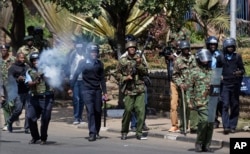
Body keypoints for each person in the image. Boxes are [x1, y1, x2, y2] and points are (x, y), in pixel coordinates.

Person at [68, 42, 108, 142]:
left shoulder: (99, 64)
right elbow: (76, 74)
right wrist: (71, 87)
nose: (94, 54)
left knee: (98, 111)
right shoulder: (83, 62)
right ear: (88, 52)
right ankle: (92, 133)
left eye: (95, 52)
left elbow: (102, 79)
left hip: (97, 90)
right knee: (90, 111)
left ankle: (97, 130)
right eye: (92, 52)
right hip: (86, 90)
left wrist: (105, 92)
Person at [116, 41, 148, 140]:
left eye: (134, 48)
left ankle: (139, 132)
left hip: (139, 89)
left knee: (140, 111)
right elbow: (117, 74)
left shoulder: (140, 58)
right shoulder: (122, 60)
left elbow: (145, 71)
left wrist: (139, 65)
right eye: (130, 48)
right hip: (129, 89)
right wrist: (125, 78)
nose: (132, 49)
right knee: (128, 111)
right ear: (127, 49)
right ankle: (124, 131)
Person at [186, 49, 214, 152]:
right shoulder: (194, 72)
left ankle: (206, 145)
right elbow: (189, 88)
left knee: (210, 123)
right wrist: (189, 101)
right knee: (204, 121)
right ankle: (199, 142)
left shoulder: (212, 72)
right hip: (199, 101)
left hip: (211, 101)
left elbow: (215, 87)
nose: (205, 62)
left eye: (207, 60)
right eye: (203, 60)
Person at [25, 52, 54, 144]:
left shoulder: (47, 69)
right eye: (34, 60)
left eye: (37, 60)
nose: (36, 62)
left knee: (45, 118)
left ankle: (43, 138)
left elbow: (53, 80)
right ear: (31, 62)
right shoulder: (29, 71)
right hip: (34, 98)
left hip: (47, 98)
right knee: (30, 117)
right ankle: (35, 136)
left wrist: (44, 76)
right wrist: (35, 81)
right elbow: (28, 83)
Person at [172, 40, 198, 134]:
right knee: (184, 107)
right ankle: (183, 126)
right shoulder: (178, 60)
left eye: (187, 48)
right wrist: (180, 84)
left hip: (193, 86)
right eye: (184, 49)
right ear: (181, 50)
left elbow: (198, 70)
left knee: (194, 107)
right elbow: (175, 75)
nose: (186, 50)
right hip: (184, 87)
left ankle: (194, 126)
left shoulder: (193, 58)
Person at [220, 38, 245, 135]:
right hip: (225, 85)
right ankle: (226, 126)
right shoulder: (221, 57)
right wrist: (219, 76)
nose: (230, 48)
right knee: (225, 105)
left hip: (235, 84)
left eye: (232, 47)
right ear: (225, 47)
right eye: (228, 47)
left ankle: (233, 126)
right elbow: (216, 69)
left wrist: (239, 72)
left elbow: (242, 70)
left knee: (234, 105)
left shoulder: (237, 57)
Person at [157, 40, 181, 132]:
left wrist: (175, 59)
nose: (177, 47)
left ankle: (185, 125)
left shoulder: (186, 56)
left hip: (184, 82)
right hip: (173, 82)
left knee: (185, 105)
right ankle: (174, 125)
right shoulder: (170, 57)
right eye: (176, 46)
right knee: (173, 104)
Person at [6, 52, 30, 133]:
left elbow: (30, 76)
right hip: (17, 92)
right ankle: (10, 121)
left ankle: (27, 127)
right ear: (17, 58)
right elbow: (9, 79)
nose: (22, 59)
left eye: (23, 58)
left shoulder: (27, 67)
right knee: (18, 110)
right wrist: (17, 79)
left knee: (29, 110)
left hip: (27, 91)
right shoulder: (13, 67)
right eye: (21, 58)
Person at [205, 36, 224, 128]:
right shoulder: (205, 53)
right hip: (207, 79)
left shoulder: (220, 54)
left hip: (217, 79)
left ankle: (223, 120)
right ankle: (213, 120)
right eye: (211, 44)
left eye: (214, 44)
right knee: (210, 101)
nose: (213, 46)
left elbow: (224, 65)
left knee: (219, 100)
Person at [66, 42, 85, 125]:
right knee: (76, 99)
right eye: (78, 47)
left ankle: (80, 117)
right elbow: (68, 61)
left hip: (83, 80)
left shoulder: (85, 55)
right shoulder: (73, 55)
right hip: (74, 79)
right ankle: (76, 117)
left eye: (81, 47)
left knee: (82, 100)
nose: (79, 49)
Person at [0, 44, 16, 131]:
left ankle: (12, 118)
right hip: (2, 86)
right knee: (5, 104)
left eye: (5, 50)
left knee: (12, 105)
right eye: (1, 50)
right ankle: (7, 123)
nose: (3, 51)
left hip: (12, 85)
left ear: (8, 51)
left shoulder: (13, 59)